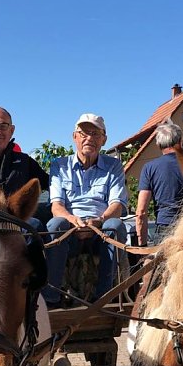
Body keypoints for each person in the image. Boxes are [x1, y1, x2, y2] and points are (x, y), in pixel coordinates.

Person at [43, 113, 128, 307]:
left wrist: (99, 221)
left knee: (115, 226)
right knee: (55, 224)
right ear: (75, 137)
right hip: (70, 231)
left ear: (104, 139)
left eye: (95, 133)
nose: (89, 138)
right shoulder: (59, 165)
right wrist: (73, 220)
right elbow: (57, 206)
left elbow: (117, 204)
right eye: (83, 133)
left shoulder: (114, 166)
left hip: (101, 230)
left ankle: (104, 298)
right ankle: (51, 298)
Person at [136, 119, 183, 246]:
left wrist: (142, 245)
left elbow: (141, 211)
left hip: (165, 229)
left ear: (158, 145)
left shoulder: (150, 168)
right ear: (180, 142)